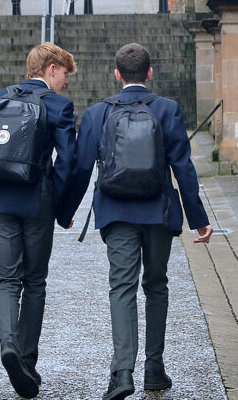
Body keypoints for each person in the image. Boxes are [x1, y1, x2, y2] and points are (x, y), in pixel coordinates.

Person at [62, 43, 213, 400]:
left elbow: (82, 168)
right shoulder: (168, 110)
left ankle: (123, 371)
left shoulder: (98, 114)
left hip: (116, 212)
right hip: (158, 211)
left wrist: (65, 211)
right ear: (149, 73)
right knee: (156, 286)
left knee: (122, 287)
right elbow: (183, 169)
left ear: (117, 74)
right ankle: (155, 368)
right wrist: (198, 218)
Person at [0, 42, 77, 399]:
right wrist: (62, 208)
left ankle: (8, 345)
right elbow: (69, 162)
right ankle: (26, 361)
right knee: (36, 281)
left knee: (6, 279)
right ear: (52, 68)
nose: (66, 83)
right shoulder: (57, 105)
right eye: (65, 75)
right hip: (36, 200)